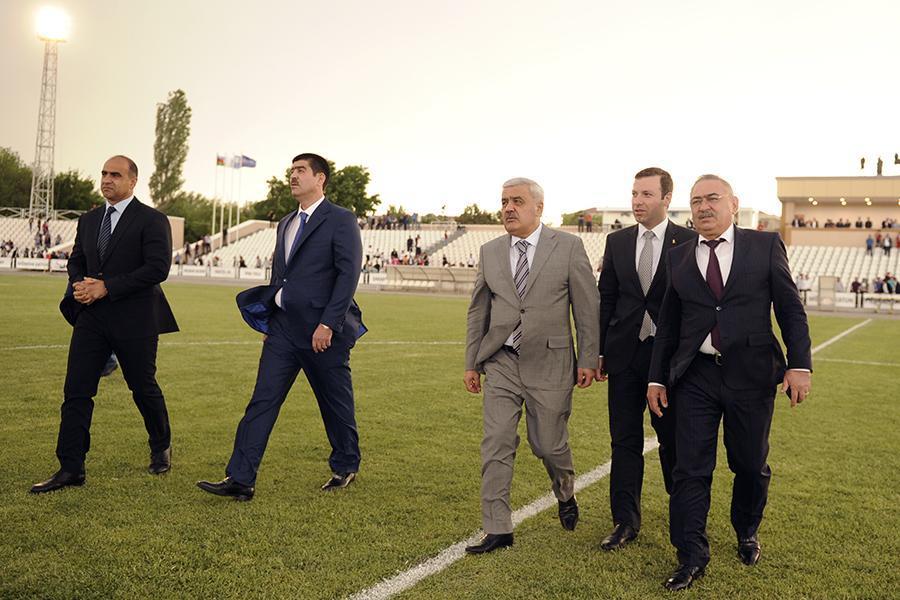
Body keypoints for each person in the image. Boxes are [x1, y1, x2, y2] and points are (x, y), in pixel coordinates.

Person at [646, 174, 812, 591]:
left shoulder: (765, 246)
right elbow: (668, 325)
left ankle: (746, 530)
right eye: (696, 201)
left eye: (712, 198)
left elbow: (790, 309)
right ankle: (691, 555)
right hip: (696, 376)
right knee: (690, 468)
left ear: (733, 204)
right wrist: (656, 378)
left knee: (750, 465)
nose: (703, 207)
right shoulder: (678, 257)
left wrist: (799, 365)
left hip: (751, 374)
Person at [198, 153, 366, 501]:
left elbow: (347, 275)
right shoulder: (287, 222)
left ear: (320, 178)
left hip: (322, 333)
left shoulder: (340, 219)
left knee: (334, 403)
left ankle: (345, 465)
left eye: (301, 170)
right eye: (292, 171)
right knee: (262, 400)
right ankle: (240, 478)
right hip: (283, 330)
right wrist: (270, 318)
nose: (293, 176)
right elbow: (281, 276)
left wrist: (328, 323)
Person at [463, 177, 599, 554]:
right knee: (496, 442)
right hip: (502, 361)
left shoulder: (568, 247)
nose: (508, 208)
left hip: (552, 362)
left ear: (538, 207)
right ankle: (498, 528)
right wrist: (472, 362)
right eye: (504, 201)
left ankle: (565, 491)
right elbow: (478, 312)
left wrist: (588, 357)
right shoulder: (490, 251)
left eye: (517, 201)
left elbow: (587, 308)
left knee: (548, 445)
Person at [30, 156, 179, 494]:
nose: (107, 179)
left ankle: (161, 445)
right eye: (104, 173)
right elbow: (77, 260)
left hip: (136, 318)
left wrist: (107, 287)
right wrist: (80, 284)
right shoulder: (90, 219)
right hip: (92, 317)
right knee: (76, 390)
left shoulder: (152, 220)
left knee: (143, 387)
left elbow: (157, 269)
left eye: (115, 174)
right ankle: (71, 467)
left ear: (132, 181)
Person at [596, 167, 696, 551]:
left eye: (647, 194)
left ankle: (682, 510)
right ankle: (625, 520)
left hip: (668, 362)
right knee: (624, 441)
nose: (637, 201)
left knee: (672, 440)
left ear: (667, 199)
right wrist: (600, 350)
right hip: (624, 355)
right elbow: (607, 298)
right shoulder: (617, 241)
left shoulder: (689, 241)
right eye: (635, 193)